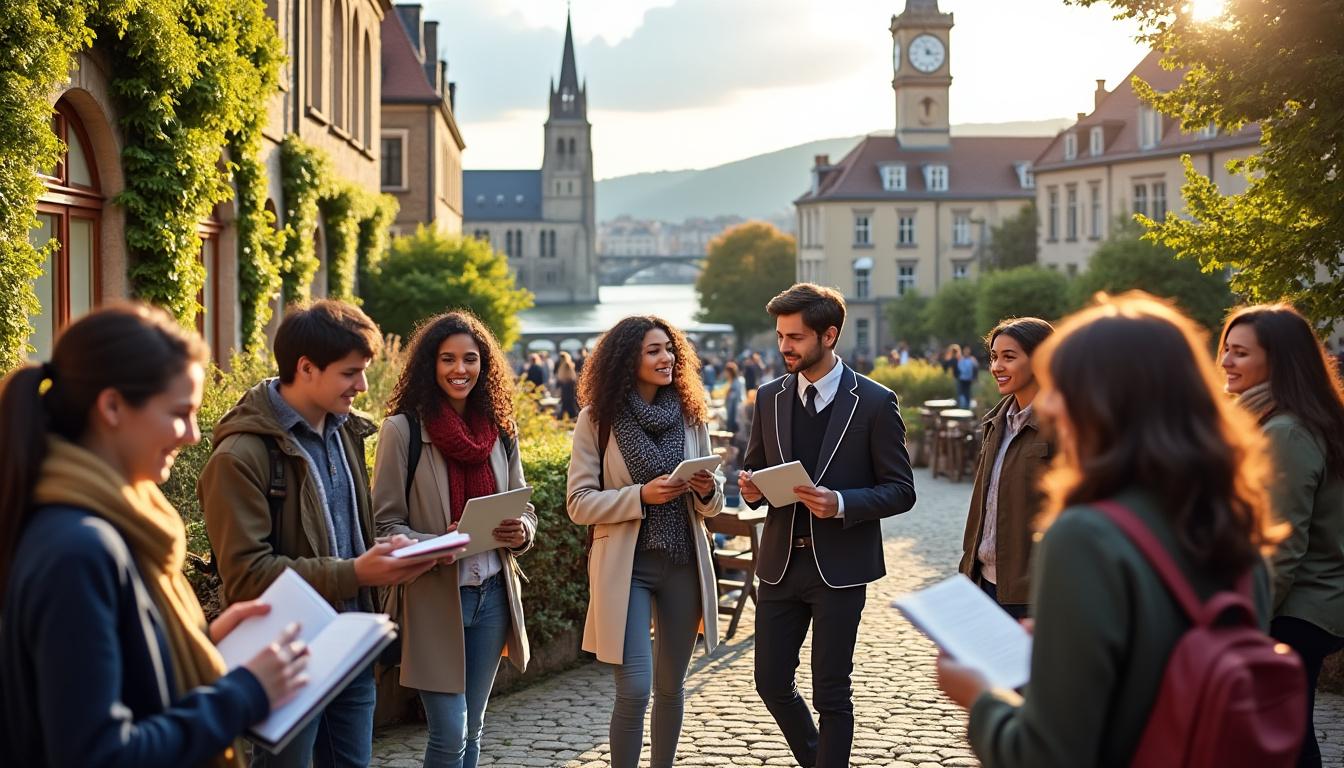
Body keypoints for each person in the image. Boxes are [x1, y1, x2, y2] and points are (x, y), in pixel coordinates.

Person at [937, 292, 1282, 767]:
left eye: (1063, 383)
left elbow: (1048, 754)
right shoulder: (1234, 516)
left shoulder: (1085, 535)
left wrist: (977, 697)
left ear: (1099, 398)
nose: (1052, 402)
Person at [0, 304, 308, 768]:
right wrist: (246, 692)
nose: (192, 435)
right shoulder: (78, 548)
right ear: (112, 408)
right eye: (180, 413)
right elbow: (99, 755)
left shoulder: (96, 526)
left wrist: (194, 639)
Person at [199, 299, 433, 768]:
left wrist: (382, 554)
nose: (363, 385)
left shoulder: (345, 431)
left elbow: (344, 538)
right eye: (350, 373)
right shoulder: (240, 457)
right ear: (306, 368)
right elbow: (246, 577)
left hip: (352, 649)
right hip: (283, 659)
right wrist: (356, 572)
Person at [738, 283, 917, 768]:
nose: (784, 347)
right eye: (780, 336)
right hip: (778, 565)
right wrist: (751, 489)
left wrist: (839, 502)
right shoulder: (769, 397)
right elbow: (754, 469)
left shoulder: (876, 402)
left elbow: (902, 490)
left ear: (829, 334)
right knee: (771, 682)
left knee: (831, 692)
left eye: (794, 337)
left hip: (840, 569)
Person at [374, 311, 537, 768]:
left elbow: (524, 505)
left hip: (493, 594)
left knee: (474, 729)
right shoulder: (402, 431)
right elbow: (383, 525)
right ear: (430, 364)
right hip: (432, 596)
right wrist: (434, 543)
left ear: (484, 364)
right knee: (449, 733)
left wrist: (520, 529)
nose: (459, 369)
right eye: (448, 359)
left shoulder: (501, 429)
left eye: (470, 359)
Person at [565, 315, 725, 768]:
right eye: (653, 350)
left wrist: (708, 491)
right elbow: (578, 503)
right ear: (625, 360)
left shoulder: (692, 414)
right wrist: (640, 495)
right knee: (634, 687)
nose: (666, 358)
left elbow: (715, 499)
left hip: (683, 564)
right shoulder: (596, 420)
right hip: (626, 567)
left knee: (672, 686)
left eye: (669, 349)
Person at [1220, 304, 1344, 768]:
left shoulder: (1285, 432)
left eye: (1239, 353)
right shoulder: (1269, 420)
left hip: (1292, 612)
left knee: (1283, 743)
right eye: (1226, 351)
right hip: (1293, 606)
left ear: (1279, 361)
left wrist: (1242, 627)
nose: (1226, 363)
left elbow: (1280, 544)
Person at [957, 318, 1055, 619]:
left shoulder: (1062, 426)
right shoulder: (996, 423)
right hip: (984, 582)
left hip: (1032, 593)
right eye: (994, 357)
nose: (997, 366)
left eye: (1008, 357)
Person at [554, 351, 580, 420]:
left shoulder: (563, 365)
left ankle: (566, 417)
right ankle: (571, 417)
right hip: (568, 385)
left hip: (566, 386)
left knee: (566, 404)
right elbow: (572, 376)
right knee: (568, 404)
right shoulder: (568, 364)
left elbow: (561, 377)